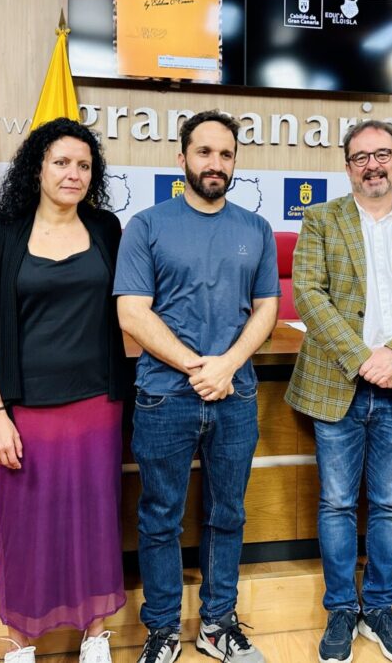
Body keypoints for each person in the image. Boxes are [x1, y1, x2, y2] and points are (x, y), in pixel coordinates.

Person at [286, 119, 392, 663]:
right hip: (337, 385)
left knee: (388, 504)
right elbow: (309, 296)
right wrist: (365, 360)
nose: (373, 165)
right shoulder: (320, 219)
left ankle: (380, 607)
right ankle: (341, 608)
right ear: (347, 167)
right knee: (336, 502)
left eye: (382, 154)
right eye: (361, 157)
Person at [0, 118, 131, 663]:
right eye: (61, 162)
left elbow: (129, 308)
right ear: (37, 167)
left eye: (84, 165)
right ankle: (19, 641)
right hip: (25, 409)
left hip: (99, 403)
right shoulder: (1, 234)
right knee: (26, 528)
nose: (72, 174)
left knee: (97, 520)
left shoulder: (106, 228)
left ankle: (96, 633)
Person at [115, 110, 279, 663]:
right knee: (161, 515)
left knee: (226, 513)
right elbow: (133, 314)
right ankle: (161, 629)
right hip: (165, 395)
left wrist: (227, 365)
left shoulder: (254, 229)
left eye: (226, 154)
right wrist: (197, 367)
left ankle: (216, 624)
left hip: (236, 395)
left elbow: (267, 308)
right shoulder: (147, 225)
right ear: (180, 157)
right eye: (204, 152)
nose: (216, 164)